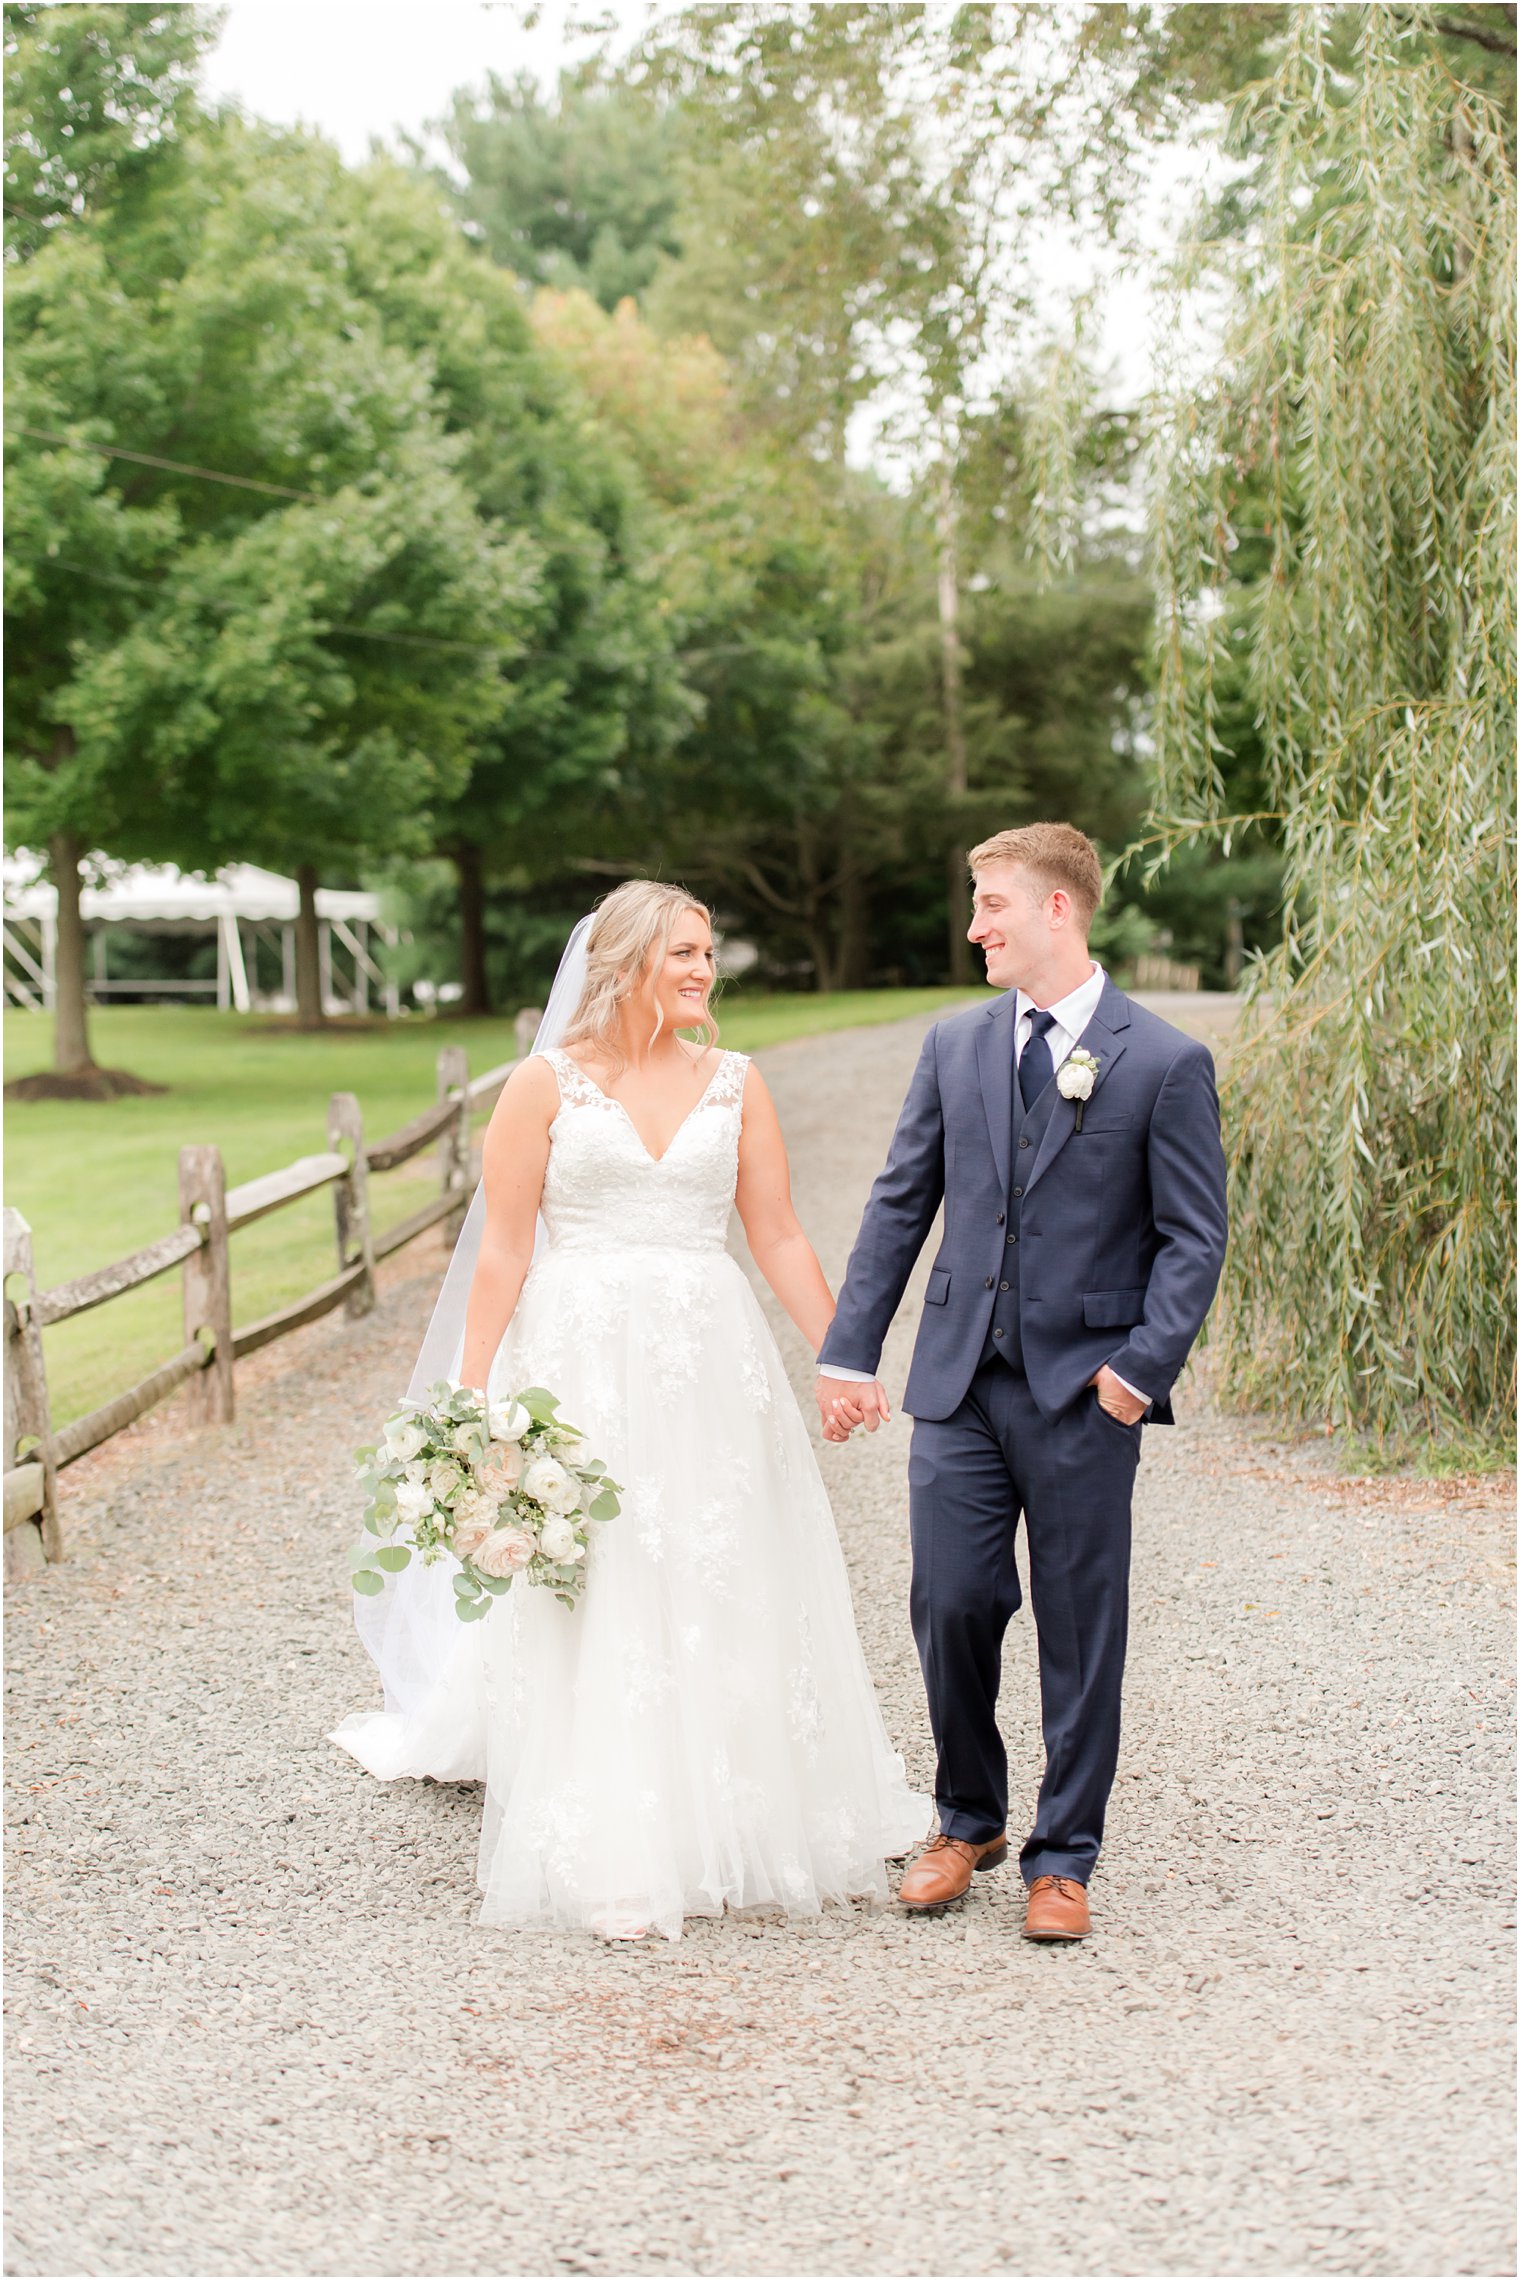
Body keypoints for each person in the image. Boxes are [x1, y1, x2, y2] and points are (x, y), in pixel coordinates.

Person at [332, 880, 926, 1941]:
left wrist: (844, 1356)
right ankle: (610, 1826)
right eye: (683, 954)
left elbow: (778, 1232)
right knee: (601, 1572)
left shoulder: (737, 1082)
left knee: (717, 1556)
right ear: (624, 964)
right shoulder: (542, 1085)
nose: (704, 971)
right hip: (577, 1358)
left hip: (708, 1351)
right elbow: (506, 1247)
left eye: (708, 954)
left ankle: (740, 1798)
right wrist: (470, 1401)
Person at [817, 824, 1228, 1941]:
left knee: (1078, 1619)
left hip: (1084, 1388)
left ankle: (1063, 1855)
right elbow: (900, 1202)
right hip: (956, 1380)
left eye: (991, 904)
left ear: (1058, 910)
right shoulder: (954, 1045)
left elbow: (1194, 1237)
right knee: (948, 1602)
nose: (973, 925)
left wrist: (1138, 1372)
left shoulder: (1162, 1059)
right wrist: (851, 1346)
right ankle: (967, 1817)